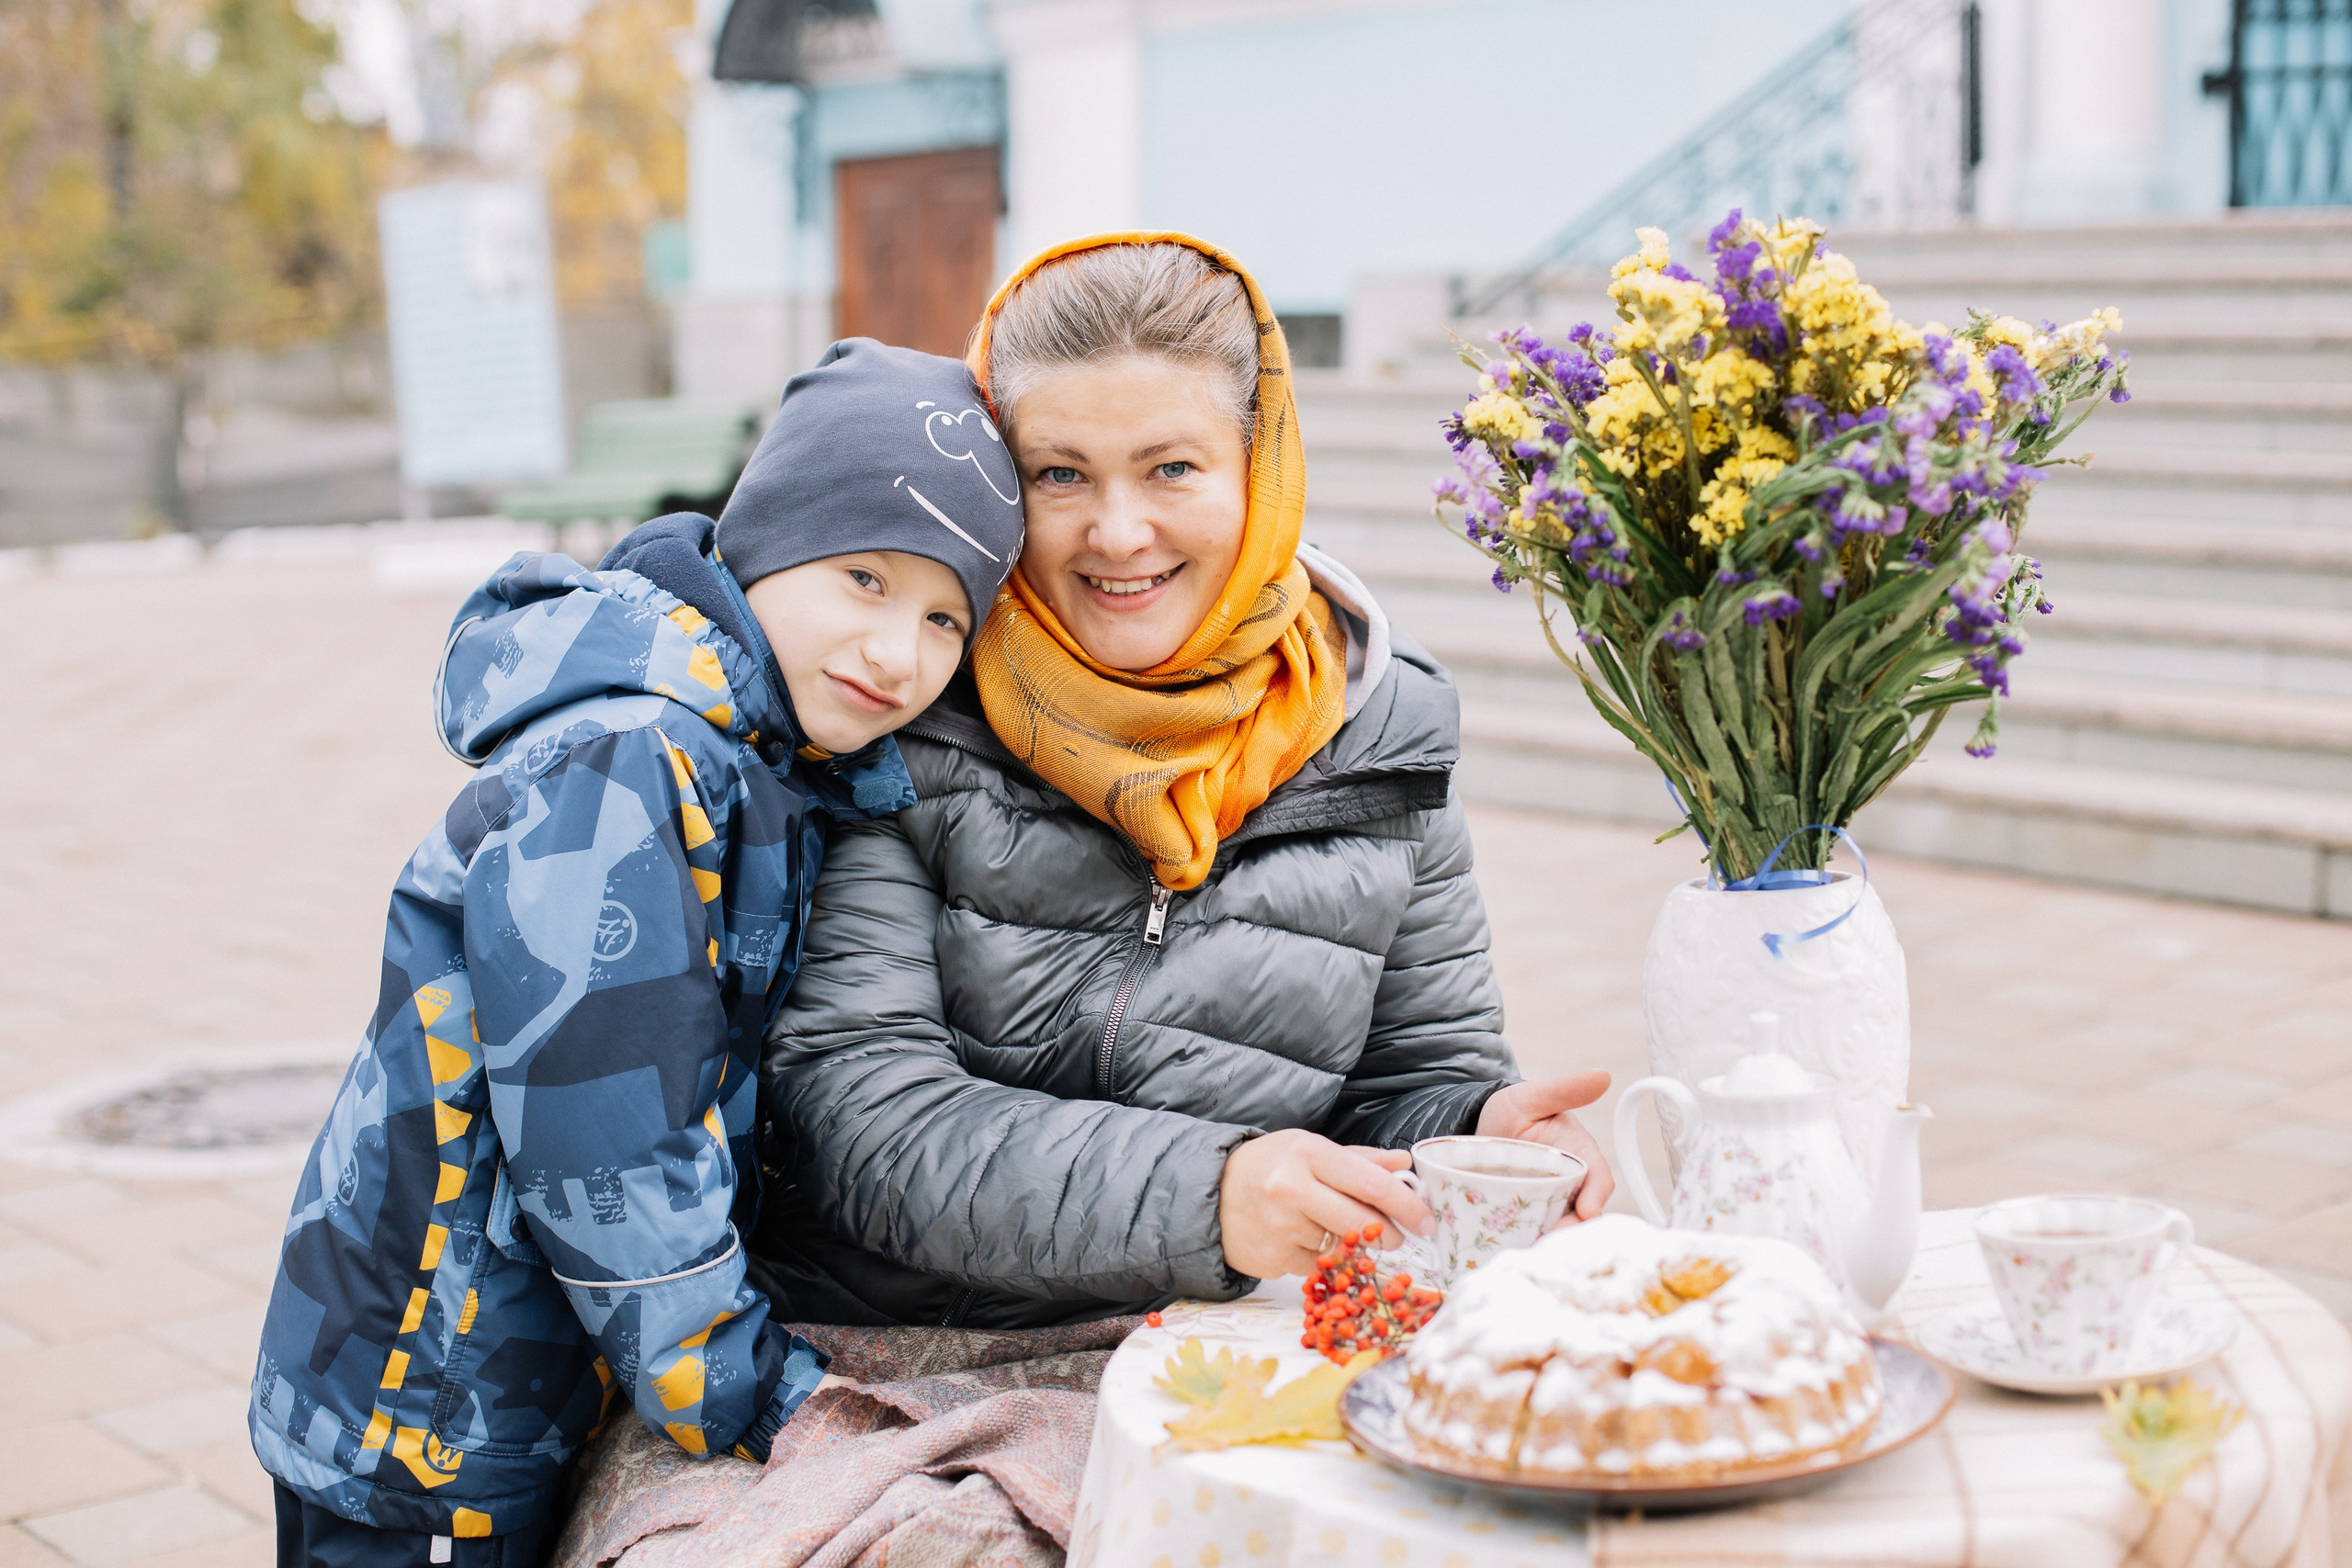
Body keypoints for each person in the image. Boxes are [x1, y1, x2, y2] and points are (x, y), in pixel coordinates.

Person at [250, 340, 1027, 1567]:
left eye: (945, 616)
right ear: (765, 541)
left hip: (502, 1366)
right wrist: (751, 1389)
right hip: (434, 1397)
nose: (898, 651)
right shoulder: (633, 760)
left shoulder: (754, 752)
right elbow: (608, 1134)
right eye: (865, 577)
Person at [750, 234, 1617, 1332]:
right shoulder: (905, 699)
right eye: (1057, 474)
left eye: (1171, 469)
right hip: (884, 1341)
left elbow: (1412, 1074)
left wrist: (1486, 1133)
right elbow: (862, 1115)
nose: (1118, 533)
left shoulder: (1381, 723)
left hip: (1201, 1337)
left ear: (1258, 468)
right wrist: (1207, 1196)